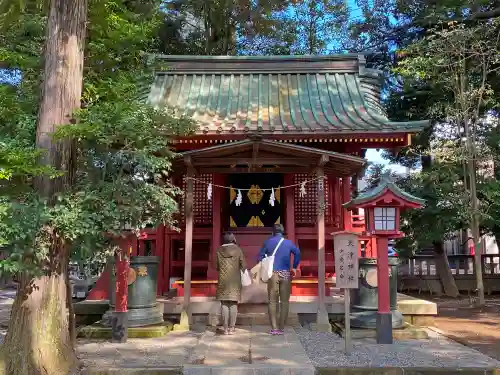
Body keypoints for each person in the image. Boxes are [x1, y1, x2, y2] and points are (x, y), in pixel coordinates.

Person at [258, 224, 300, 335]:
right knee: (284, 302)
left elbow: (260, 257)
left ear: (273, 232)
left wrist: (266, 262)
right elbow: (297, 253)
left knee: (272, 301)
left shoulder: (268, 242)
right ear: (283, 232)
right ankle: (281, 327)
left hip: (272, 273)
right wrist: (294, 267)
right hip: (285, 273)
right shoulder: (288, 243)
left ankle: (274, 328)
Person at [216, 232, 247, 335]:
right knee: (233, 303)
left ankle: (225, 329)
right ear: (233, 239)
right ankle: (232, 328)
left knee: (224, 303)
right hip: (235, 280)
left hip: (223, 280)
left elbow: (216, 266)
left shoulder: (219, 250)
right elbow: (243, 265)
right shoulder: (238, 250)